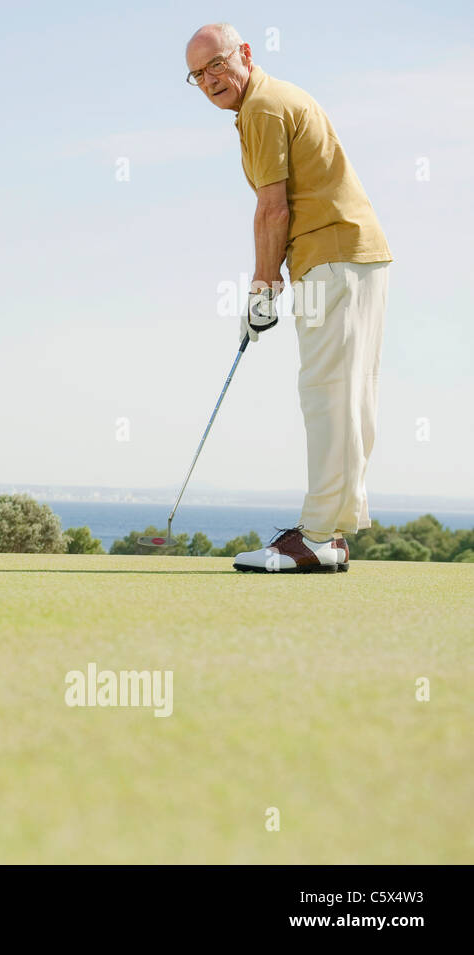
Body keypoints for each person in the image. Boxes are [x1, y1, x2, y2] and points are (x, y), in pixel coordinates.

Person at [185, 23, 392, 573]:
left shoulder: (262, 107)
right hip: (360, 255)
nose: (210, 80)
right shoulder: (273, 100)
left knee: (326, 394)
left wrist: (260, 288)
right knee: (349, 396)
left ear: (245, 54)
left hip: (330, 259)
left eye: (217, 65)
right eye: (199, 74)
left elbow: (272, 209)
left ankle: (316, 535)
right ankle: (333, 534)